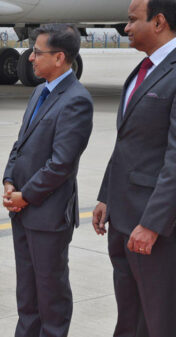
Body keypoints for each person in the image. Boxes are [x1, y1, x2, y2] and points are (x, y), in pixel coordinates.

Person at [2, 23, 93, 337]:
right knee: (26, 294)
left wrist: (25, 195)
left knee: (50, 295)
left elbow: (61, 164)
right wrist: (9, 180)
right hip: (23, 208)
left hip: (48, 213)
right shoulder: (41, 91)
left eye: (38, 53)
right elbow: (21, 143)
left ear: (60, 58)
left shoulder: (76, 100)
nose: (30, 58)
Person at [92, 0, 176, 336]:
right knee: (129, 317)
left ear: (158, 22)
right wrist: (105, 195)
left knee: (160, 320)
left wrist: (152, 224)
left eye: (131, 20)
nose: (125, 28)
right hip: (123, 219)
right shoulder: (145, 69)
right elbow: (128, 141)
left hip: (153, 229)